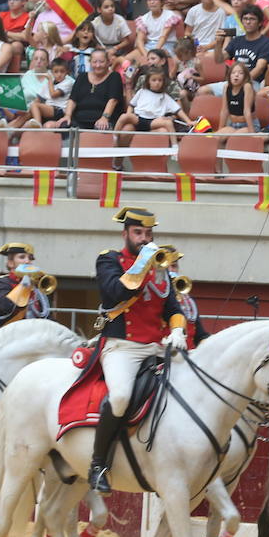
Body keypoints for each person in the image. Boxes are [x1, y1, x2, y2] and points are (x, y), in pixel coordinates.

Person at [89, 208, 187, 492]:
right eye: (138, 233)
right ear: (126, 234)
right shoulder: (109, 260)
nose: (144, 239)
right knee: (119, 397)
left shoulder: (161, 267)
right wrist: (142, 263)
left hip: (155, 347)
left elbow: (172, 308)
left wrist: (178, 329)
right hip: (121, 347)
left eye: (148, 234)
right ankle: (98, 464)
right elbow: (114, 294)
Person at [0, 242, 54, 328]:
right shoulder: (1, 282)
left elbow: (46, 315)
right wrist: (23, 285)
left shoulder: (36, 285)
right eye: (22, 257)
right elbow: (4, 307)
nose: (27, 261)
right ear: (10, 263)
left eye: (30, 258)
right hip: (9, 335)